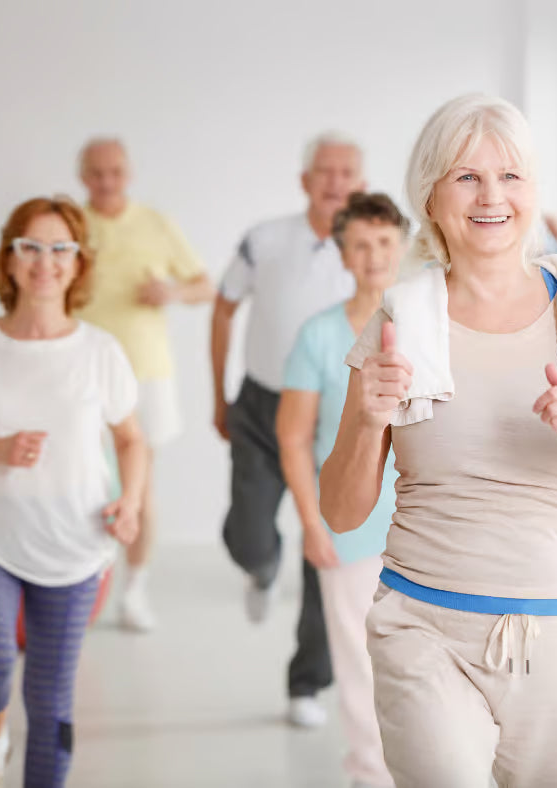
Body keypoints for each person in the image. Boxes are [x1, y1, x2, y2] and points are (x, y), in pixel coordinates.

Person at [320, 94, 557, 787]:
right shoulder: (402, 317)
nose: (492, 197)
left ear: (533, 190)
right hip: (426, 627)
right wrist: (367, 419)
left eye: (510, 176)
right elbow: (341, 512)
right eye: (467, 177)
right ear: (432, 195)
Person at [0, 196, 148, 787]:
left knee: (50, 708)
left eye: (60, 249)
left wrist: (130, 502)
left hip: (75, 547)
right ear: (9, 259)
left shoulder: (101, 352)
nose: (45, 261)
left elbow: (132, 441)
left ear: (78, 265)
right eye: (31, 246)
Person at [210, 131, 365, 728]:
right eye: (324, 171)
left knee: (326, 548)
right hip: (259, 404)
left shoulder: (370, 249)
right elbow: (223, 306)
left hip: (333, 413)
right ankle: (260, 565)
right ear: (305, 181)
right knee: (248, 533)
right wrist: (217, 393)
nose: (335, 181)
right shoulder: (265, 240)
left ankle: (307, 682)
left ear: (360, 183)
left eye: (347, 172)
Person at [277, 193, 407, 788]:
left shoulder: (428, 323)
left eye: (384, 241)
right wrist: (311, 524)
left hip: (427, 525)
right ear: (343, 253)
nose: (374, 255)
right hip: (351, 531)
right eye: (360, 244)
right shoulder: (319, 335)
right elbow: (295, 438)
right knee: (360, 669)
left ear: (402, 244)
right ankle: (371, 777)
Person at [75, 138, 213, 632]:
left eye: (114, 171)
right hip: (80, 371)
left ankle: (134, 592)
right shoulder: (71, 225)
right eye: (96, 173)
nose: (106, 181)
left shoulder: (156, 223)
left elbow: (205, 286)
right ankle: (82, 586)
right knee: (79, 481)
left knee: (139, 486)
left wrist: (171, 291)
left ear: (128, 172)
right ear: (82, 176)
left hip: (146, 371)